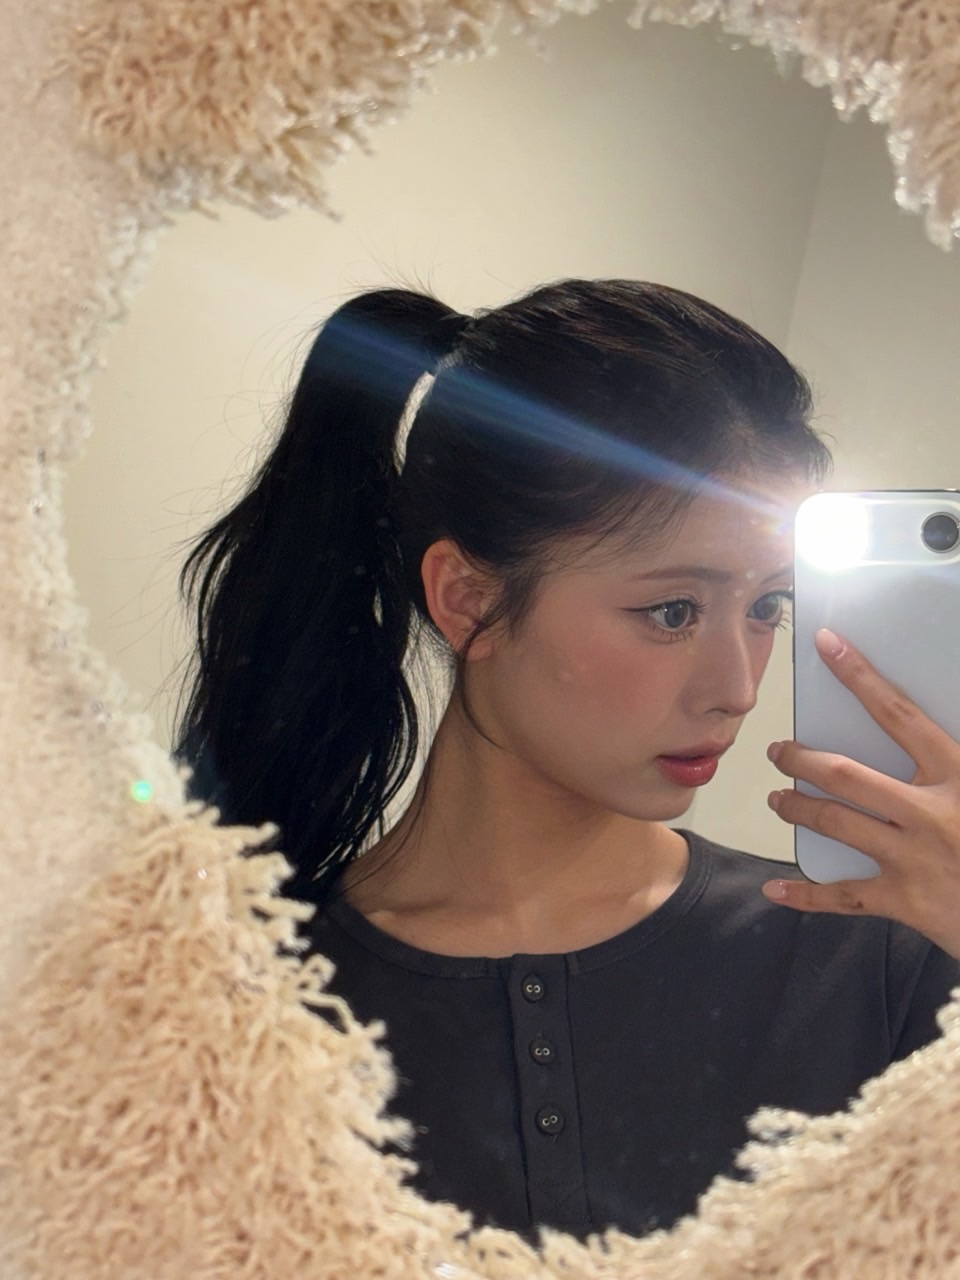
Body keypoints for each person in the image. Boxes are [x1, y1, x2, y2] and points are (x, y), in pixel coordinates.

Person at [175, 280, 960, 1242]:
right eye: (673, 611)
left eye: (768, 607)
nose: (738, 687)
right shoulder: (255, 1007)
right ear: (466, 599)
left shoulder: (876, 957)